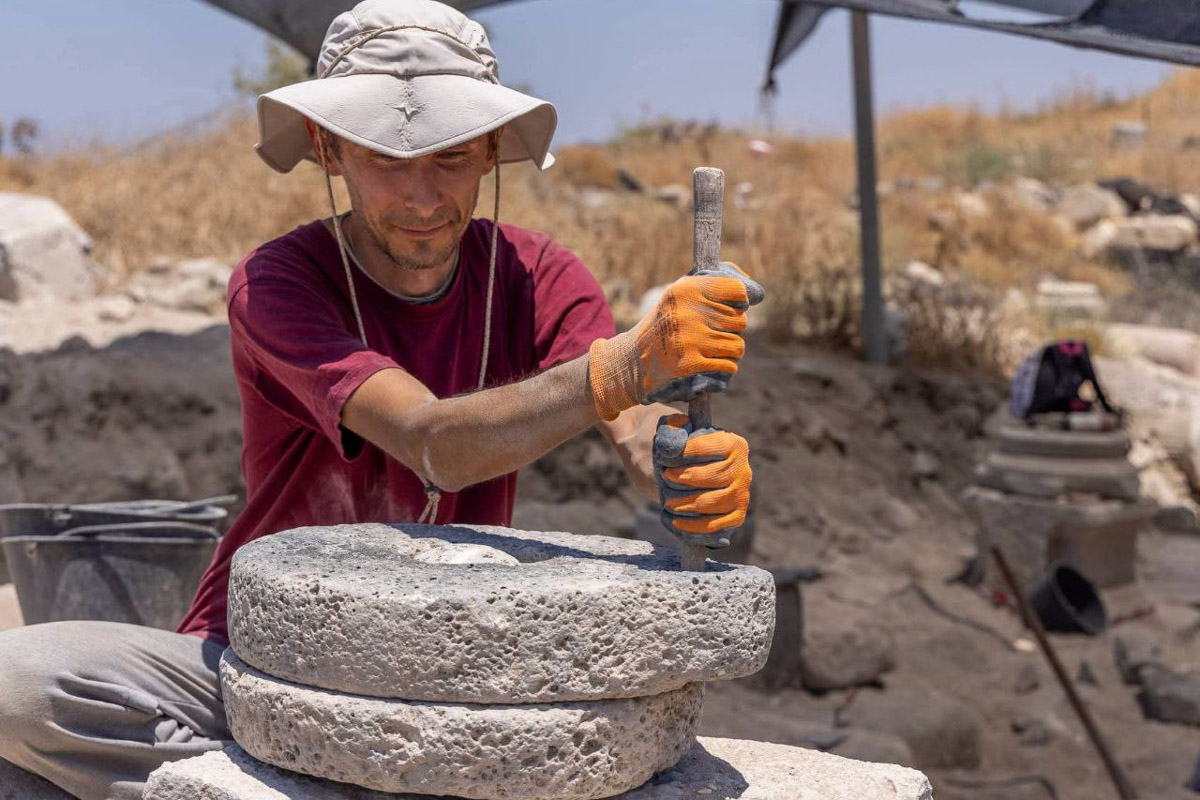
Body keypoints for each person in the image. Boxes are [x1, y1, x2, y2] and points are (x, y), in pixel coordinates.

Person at [0, 1, 763, 798]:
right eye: (386, 160)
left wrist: (682, 466)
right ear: (329, 151)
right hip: (254, 652)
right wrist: (623, 367)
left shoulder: (539, 277)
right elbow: (431, 441)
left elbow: (635, 426)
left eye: (451, 157)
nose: (422, 197)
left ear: (493, 149)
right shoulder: (280, 281)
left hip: (446, 665)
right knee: (15, 686)